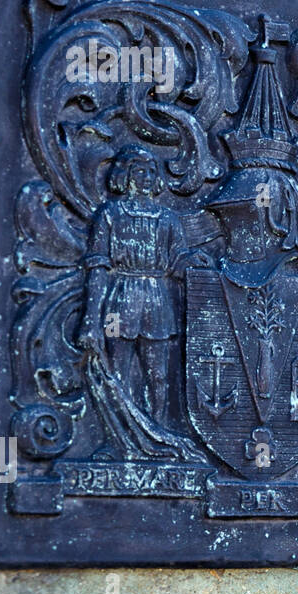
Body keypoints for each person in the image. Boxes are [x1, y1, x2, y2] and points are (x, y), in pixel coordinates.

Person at [77, 146, 190, 424]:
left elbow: (178, 262)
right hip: (121, 296)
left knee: (158, 374)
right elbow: (98, 267)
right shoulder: (111, 215)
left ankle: (157, 430)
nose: (147, 177)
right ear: (125, 174)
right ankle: (124, 437)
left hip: (156, 299)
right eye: (140, 171)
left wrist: (194, 263)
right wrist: (91, 319)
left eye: (152, 171)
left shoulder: (167, 219)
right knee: (118, 371)